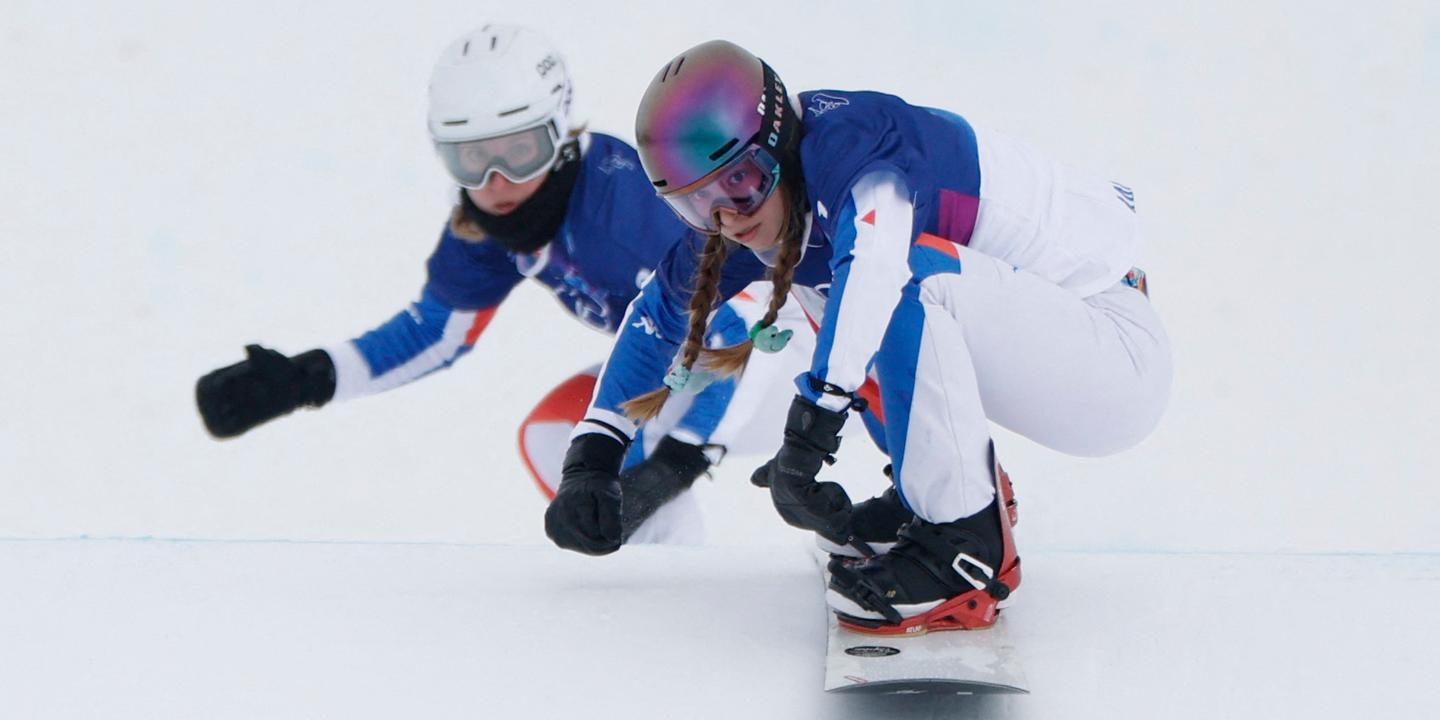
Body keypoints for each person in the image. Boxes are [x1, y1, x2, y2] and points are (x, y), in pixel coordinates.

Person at [544, 40, 1171, 635]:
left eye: (739, 184)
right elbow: (657, 315)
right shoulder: (758, 207)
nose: (728, 217)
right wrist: (594, 454)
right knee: (827, 292)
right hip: (1056, 343)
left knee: (889, 282)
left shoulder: (857, 151)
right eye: (697, 204)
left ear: (779, 143)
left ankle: (965, 544)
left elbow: (877, 265)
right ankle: (931, 495)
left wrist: (807, 436)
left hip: (1113, 357)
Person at [193, 26, 805, 549]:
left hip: (785, 353)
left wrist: (681, 459)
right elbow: (436, 332)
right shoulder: (491, 225)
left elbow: (741, 326)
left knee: (603, 450)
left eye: (521, 151)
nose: (497, 181)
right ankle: (663, 582)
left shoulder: (621, 207)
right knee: (554, 438)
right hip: (696, 364)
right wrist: (303, 379)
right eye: (470, 159)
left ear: (560, 131)